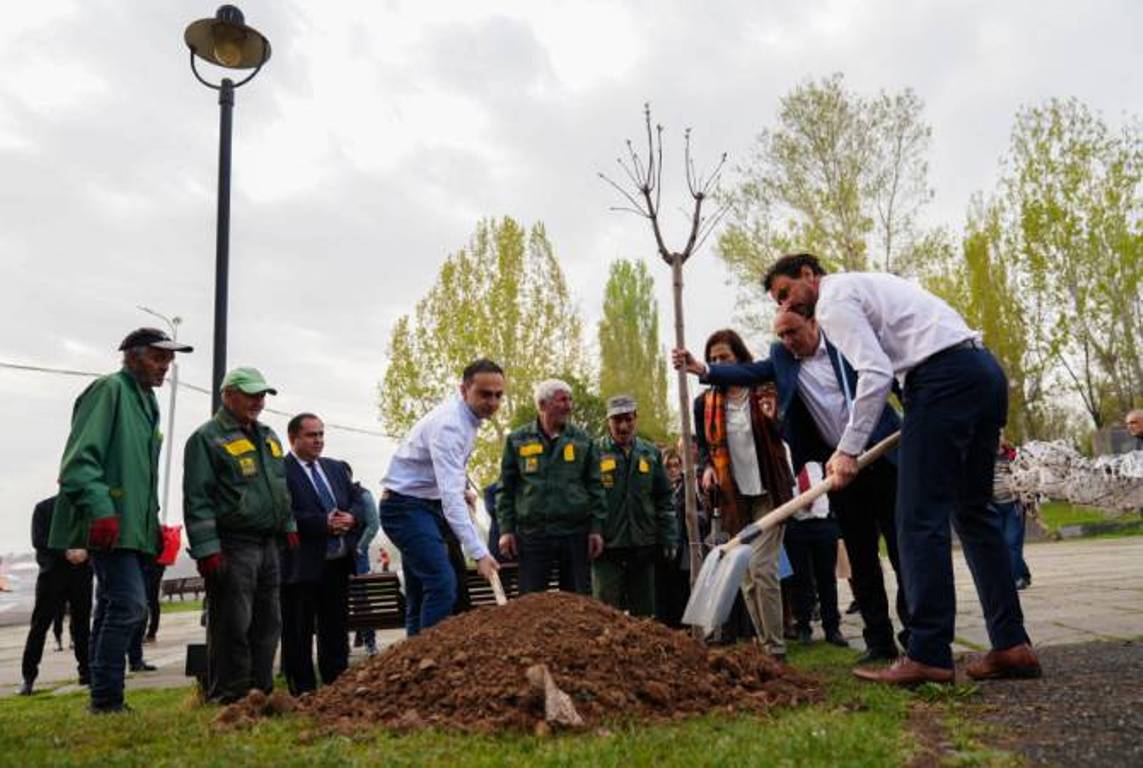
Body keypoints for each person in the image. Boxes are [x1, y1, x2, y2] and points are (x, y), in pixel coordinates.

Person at [763, 252, 1039, 685]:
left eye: (785, 294)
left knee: (916, 519)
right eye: (777, 303)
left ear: (807, 275)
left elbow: (873, 374)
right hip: (981, 371)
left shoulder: (832, 301)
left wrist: (848, 448)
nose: (786, 307)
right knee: (973, 515)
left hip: (941, 379)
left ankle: (928, 651)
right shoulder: (866, 285)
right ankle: (1012, 644)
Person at [673, 309, 908, 664]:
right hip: (834, 471)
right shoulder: (779, 360)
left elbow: (887, 376)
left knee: (902, 551)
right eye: (780, 335)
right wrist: (702, 370)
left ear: (814, 323)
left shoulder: (846, 344)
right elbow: (749, 374)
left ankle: (918, 636)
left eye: (793, 332)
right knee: (860, 558)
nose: (786, 341)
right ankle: (878, 641)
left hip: (879, 459)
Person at [48, 327, 192, 713]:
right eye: (159, 358)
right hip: (109, 523)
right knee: (129, 605)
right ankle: (106, 699)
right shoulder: (109, 390)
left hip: (135, 528)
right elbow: (78, 463)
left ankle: (103, 693)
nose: (166, 367)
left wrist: (154, 525)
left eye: (169, 360)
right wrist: (101, 509)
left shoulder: (147, 402)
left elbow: (142, 475)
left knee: (116, 606)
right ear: (132, 356)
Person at [184, 367, 297, 704]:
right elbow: (197, 498)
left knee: (268, 623)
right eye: (251, 395)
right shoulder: (207, 438)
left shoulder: (268, 436)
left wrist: (288, 525)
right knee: (233, 624)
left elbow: (281, 487)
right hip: (233, 545)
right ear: (228, 395)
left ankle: (259, 693)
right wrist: (207, 548)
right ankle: (229, 696)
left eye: (262, 395)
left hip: (268, 545)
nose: (258, 402)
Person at [379, 359, 504, 636]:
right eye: (485, 394)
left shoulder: (467, 420)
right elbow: (450, 499)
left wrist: (460, 488)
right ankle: (428, 663)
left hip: (424, 504)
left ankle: (412, 659)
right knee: (441, 582)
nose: (492, 402)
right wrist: (480, 553)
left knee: (420, 591)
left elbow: (448, 478)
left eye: (498, 395)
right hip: (405, 507)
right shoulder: (450, 426)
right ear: (464, 389)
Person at [693, 330, 794, 657]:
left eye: (725, 357)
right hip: (734, 496)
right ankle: (764, 646)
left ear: (740, 358)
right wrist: (706, 468)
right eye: (713, 360)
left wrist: (774, 417)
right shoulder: (704, 403)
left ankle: (776, 649)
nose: (718, 364)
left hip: (768, 491)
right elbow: (705, 449)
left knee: (764, 567)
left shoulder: (764, 389)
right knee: (746, 575)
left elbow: (785, 432)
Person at [497, 379, 607, 596]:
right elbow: (506, 489)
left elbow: (596, 487)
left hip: (575, 534)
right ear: (542, 405)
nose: (569, 406)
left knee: (578, 601)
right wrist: (506, 530)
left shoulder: (583, 440)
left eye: (570, 399)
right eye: (562, 400)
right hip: (533, 534)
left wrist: (596, 529)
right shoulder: (517, 440)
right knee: (531, 602)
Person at [280, 413, 362, 694]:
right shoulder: (281, 471)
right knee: (298, 632)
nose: (318, 440)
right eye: (311, 435)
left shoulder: (336, 468)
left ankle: (337, 686)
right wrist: (322, 523)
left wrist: (350, 518)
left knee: (335, 630)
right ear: (293, 438)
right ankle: (302, 691)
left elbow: (357, 501)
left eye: (321, 434)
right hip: (301, 566)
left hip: (337, 563)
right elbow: (283, 513)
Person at [592, 396, 676, 616]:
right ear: (607, 421)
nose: (623, 426)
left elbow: (665, 498)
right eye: (617, 420)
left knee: (645, 614)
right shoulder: (594, 452)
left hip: (643, 545)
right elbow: (586, 499)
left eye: (628, 419)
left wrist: (669, 536)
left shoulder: (650, 453)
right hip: (607, 548)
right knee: (606, 613)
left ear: (635, 419)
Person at [20, 496, 93, 695]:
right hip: (52, 575)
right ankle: (28, 677)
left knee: (82, 626)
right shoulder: (43, 508)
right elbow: (39, 540)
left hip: (80, 573)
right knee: (40, 626)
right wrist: (66, 552)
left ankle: (86, 672)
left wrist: (86, 552)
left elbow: (97, 537)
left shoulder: (86, 509)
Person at [785, 462, 847, 647]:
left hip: (824, 522)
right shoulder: (786, 454)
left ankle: (832, 628)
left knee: (827, 578)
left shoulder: (821, 459)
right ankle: (803, 626)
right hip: (795, 523)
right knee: (800, 578)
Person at [346, 462, 380, 656]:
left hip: (357, 555)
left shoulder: (364, 495)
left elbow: (373, 524)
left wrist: (360, 547)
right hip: (338, 553)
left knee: (360, 600)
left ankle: (369, 641)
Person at [992, 438, 1031, 590]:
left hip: (1013, 506)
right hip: (994, 507)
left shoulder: (1014, 456)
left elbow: (1026, 476)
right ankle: (1024, 574)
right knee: (1003, 545)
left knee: (1012, 543)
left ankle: (1017, 578)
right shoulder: (983, 457)